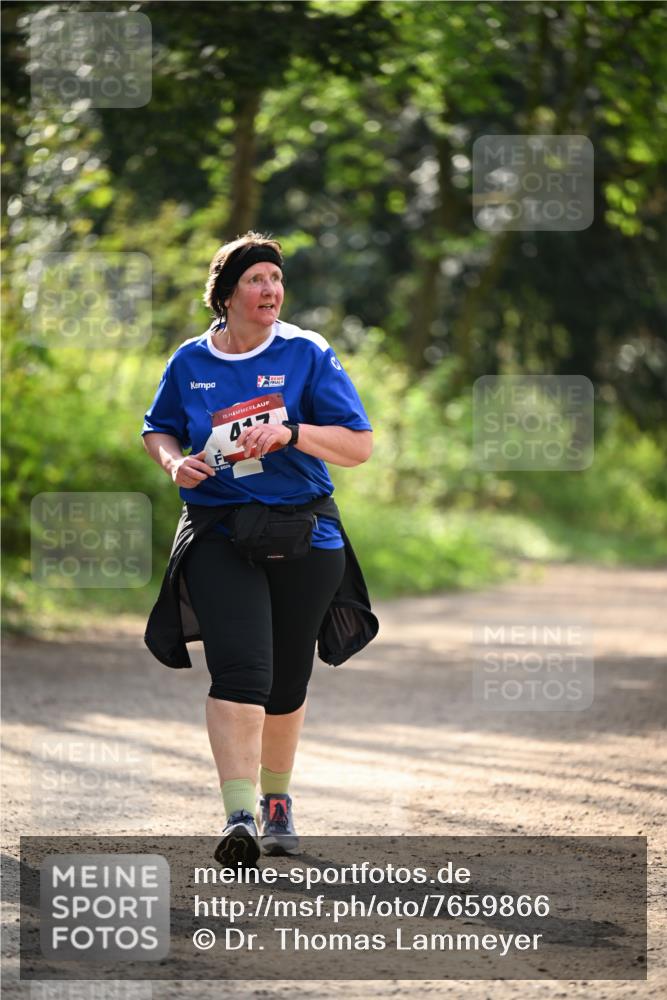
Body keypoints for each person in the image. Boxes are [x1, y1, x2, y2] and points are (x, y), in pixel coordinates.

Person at [141, 232, 376, 866]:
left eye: (275, 278)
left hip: (305, 534)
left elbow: (359, 446)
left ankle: (278, 801)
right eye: (255, 279)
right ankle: (239, 814)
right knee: (241, 670)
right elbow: (157, 428)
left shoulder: (306, 353)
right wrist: (172, 465)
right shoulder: (189, 361)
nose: (270, 289)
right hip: (219, 532)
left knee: (288, 678)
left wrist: (293, 432)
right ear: (226, 293)